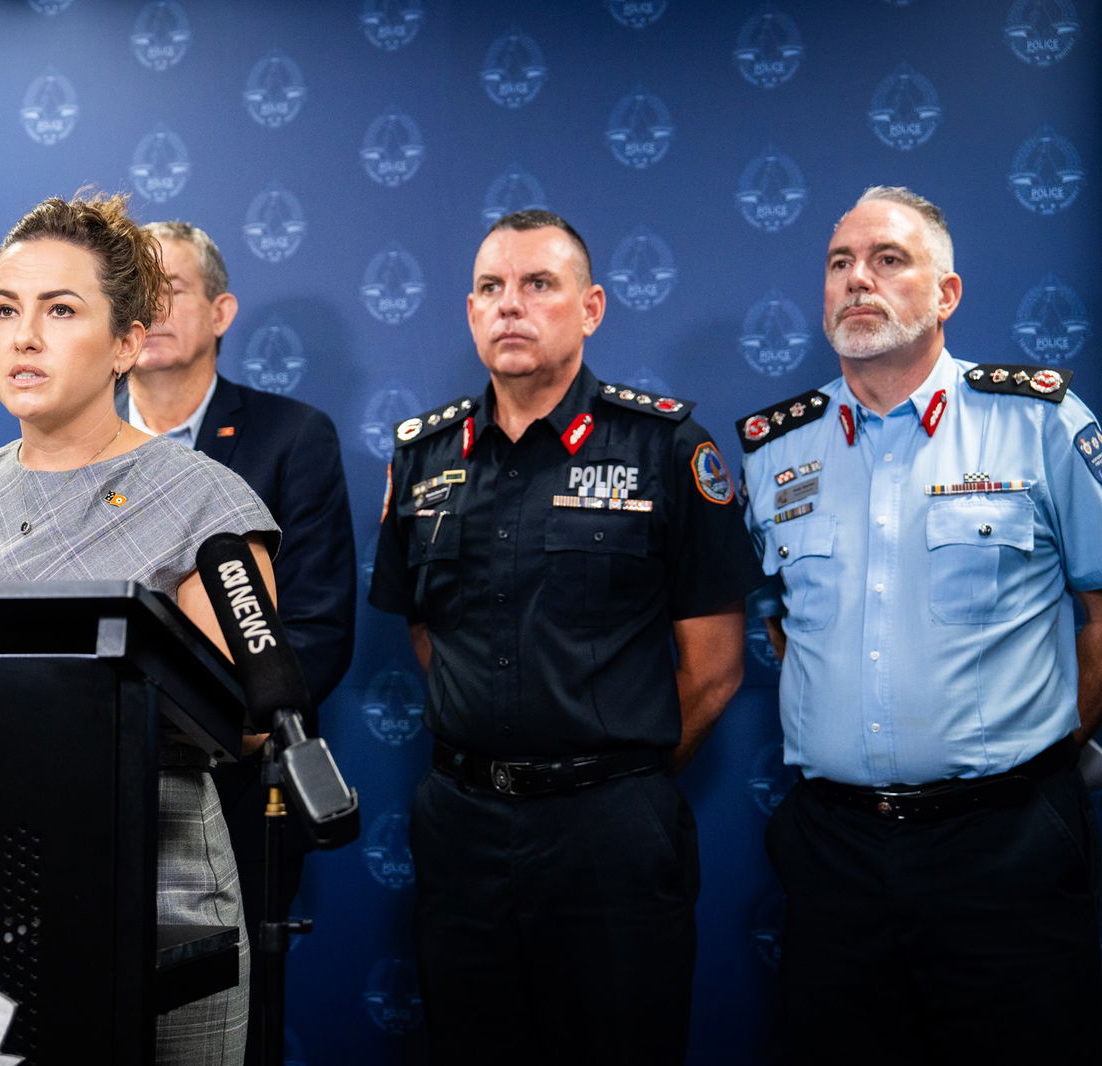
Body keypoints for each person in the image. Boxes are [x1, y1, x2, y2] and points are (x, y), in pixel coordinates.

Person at [369, 209, 761, 1063]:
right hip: (462, 830)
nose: (510, 306)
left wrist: (610, 776)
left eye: (538, 285)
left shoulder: (664, 448)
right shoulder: (423, 459)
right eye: (490, 289)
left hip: (611, 835)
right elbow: (429, 635)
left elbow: (717, 668)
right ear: (470, 312)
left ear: (591, 309)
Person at [0, 193, 278, 1065]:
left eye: (60, 310)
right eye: (5, 310)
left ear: (125, 344)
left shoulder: (207, 501)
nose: (22, 337)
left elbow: (248, 719)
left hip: (156, 909)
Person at [737, 186, 1102, 1064]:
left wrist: (1058, 751)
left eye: (888, 260)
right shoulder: (774, 449)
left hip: (1006, 844)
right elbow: (784, 627)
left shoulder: (1039, 422)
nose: (858, 280)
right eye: (839, 264)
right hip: (836, 852)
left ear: (947, 294)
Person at [126, 220, 355, 1058]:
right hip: (102, 778)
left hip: (236, 784)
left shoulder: (292, 437)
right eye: (134, 291)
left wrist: (206, 733)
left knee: (227, 1029)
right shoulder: (67, 448)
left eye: (171, 288)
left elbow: (319, 627)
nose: (150, 307)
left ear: (221, 310)